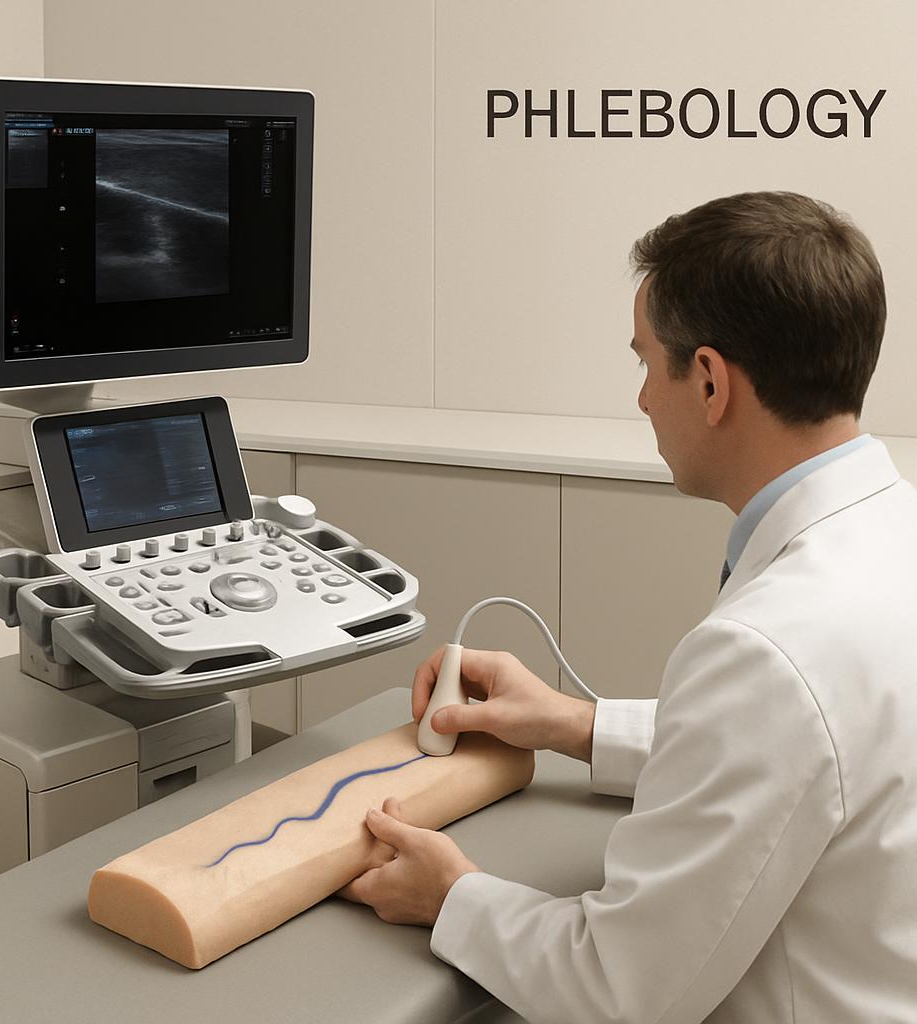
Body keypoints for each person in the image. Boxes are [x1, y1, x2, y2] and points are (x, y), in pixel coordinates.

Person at [338, 191, 917, 1022]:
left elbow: (621, 989)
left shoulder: (770, 652)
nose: (644, 397)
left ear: (711, 381)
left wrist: (452, 896)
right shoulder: (894, 532)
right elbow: (812, 756)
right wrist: (574, 724)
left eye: (648, 363)